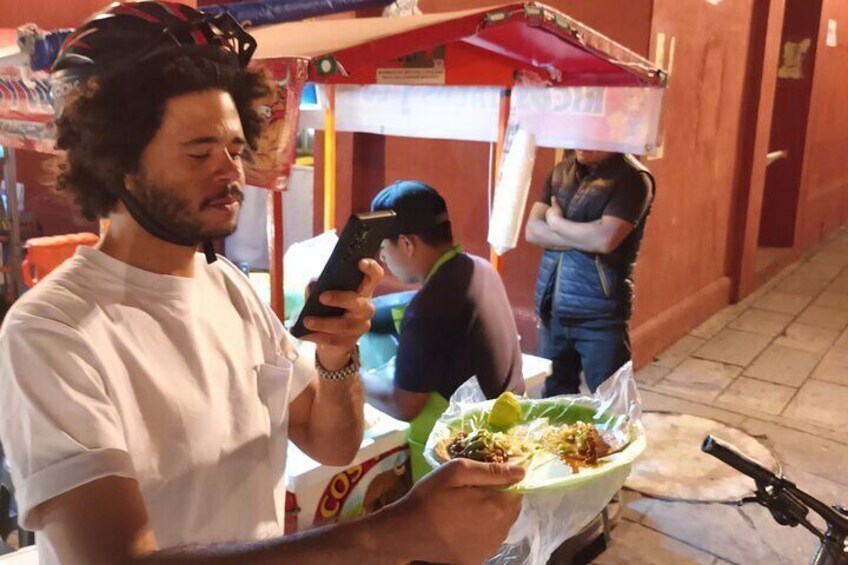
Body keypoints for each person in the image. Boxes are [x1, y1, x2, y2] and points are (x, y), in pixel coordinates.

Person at [0, 3, 523, 563]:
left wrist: (338, 352)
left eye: (234, 149)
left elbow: (332, 443)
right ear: (117, 166)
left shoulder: (228, 287)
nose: (231, 172)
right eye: (200, 152)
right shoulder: (51, 333)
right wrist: (392, 533)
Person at [364, 181, 525, 481]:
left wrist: (351, 379)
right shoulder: (480, 269)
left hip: (464, 459)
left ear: (407, 244)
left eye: (384, 250)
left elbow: (405, 405)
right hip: (507, 440)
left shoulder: (429, 307)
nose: (384, 262)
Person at [525, 149, 655, 396]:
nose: (581, 143)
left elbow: (605, 239)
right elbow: (532, 231)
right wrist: (584, 237)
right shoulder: (561, 171)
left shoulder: (633, 178)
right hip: (551, 307)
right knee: (553, 401)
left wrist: (555, 222)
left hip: (599, 313)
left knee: (612, 403)